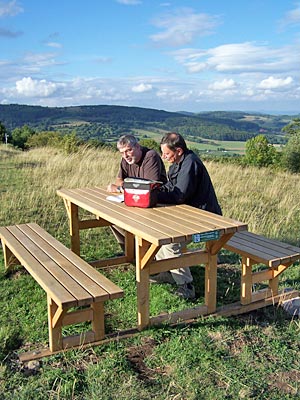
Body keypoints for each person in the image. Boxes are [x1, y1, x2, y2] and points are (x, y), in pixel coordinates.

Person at [151, 132, 222, 300]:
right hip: (190, 214)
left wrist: (153, 197)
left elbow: (179, 195)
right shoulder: (178, 163)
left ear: (179, 151)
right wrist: (155, 190)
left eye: (167, 153)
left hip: (206, 219)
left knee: (170, 243)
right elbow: (171, 186)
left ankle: (186, 285)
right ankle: (168, 271)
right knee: (157, 233)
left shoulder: (190, 164)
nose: (164, 157)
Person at [107, 134, 167, 247]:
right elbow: (119, 179)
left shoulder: (150, 156)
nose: (125, 155)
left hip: (156, 204)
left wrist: (121, 189)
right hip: (136, 201)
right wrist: (126, 187)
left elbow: (147, 187)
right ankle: (130, 252)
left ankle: (144, 254)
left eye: (129, 150)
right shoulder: (125, 160)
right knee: (112, 218)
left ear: (138, 146)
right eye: (122, 152)